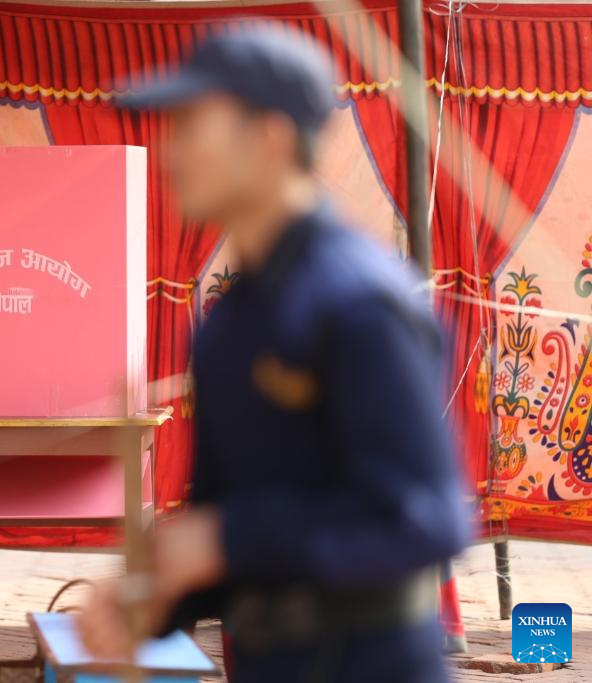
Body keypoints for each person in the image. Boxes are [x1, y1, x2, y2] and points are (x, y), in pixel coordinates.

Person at [77, 28, 472, 683]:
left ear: (272, 135)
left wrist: (227, 539)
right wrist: (155, 600)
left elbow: (427, 521)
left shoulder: (360, 301)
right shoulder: (229, 325)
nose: (170, 151)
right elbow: (227, 530)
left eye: (192, 124)